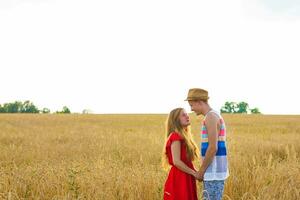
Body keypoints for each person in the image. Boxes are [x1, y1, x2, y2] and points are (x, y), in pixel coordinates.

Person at [185, 88, 229, 200]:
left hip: (213, 171)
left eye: (192, 105)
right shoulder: (214, 115)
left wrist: (201, 171)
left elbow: (213, 147)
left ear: (199, 101)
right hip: (215, 170)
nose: (191, 109)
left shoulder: (210, 117)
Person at [162, 107, 200, 200]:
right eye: (183, 115)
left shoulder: (184, 136)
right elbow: (177, 162)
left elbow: (187, 162)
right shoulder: (175, 136)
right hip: (180, 177)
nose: (187, 116)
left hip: (186, 175)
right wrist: (194, 173)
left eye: (187, 114)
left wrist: (196, 172)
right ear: (176, 120)